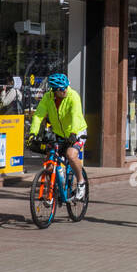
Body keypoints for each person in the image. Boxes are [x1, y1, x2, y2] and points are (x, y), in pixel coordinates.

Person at [29, 72, 88, 201]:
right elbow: (38, 116)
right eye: (62, 89)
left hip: (77, 131)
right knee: (50, 163)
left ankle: (81, 182)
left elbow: (76, 116)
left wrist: (73, 133)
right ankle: (54, 190)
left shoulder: (73, 96)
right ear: (55, 90)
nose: (65, 90)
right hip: (58, 133)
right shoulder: (47, 98)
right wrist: (32, 134)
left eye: (66, 86)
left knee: (71, 155)